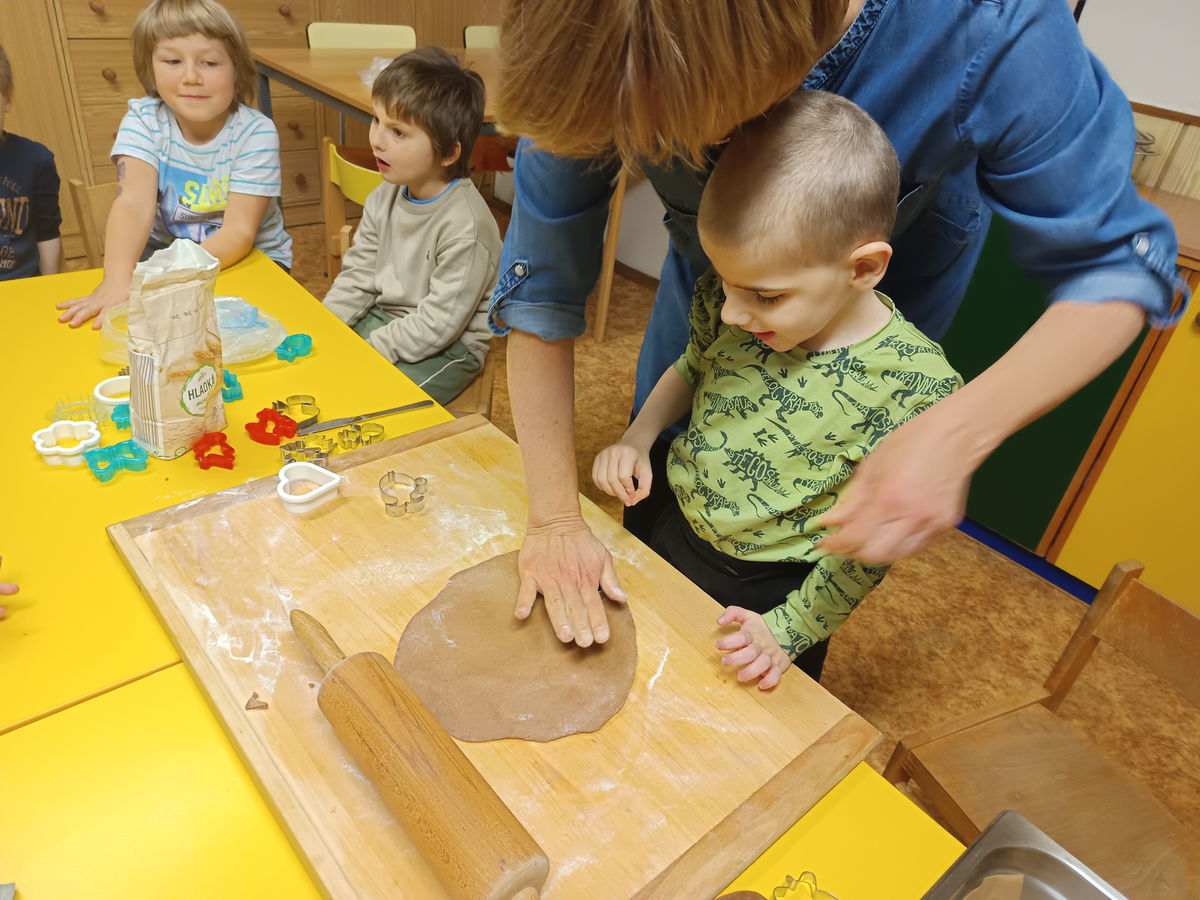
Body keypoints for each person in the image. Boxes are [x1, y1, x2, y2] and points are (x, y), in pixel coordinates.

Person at [487, 0, 1186, 648]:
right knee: (666, 509)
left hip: (875, 355)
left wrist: (952, 433)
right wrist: (556, 517)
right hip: (710, 332)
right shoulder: (719, 307)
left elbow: (1119, 263)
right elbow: (544, 292)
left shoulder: (983, 25)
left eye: (678, 132)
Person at [593, 92, 960, 686]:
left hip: (773, 595)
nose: (733, 313)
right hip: (674, 523)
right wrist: (639, 436)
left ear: (863, 268)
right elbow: (694, 365)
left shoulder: (913, 387)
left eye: (766, 296)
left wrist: (792, 628)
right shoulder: (734, 301)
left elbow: (867, 551)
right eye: (727, 284)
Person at [56, 0, 291, 328]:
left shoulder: (256, 132)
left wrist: (169, 278)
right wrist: (117, 280)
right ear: (150, 67)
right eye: (173, 61)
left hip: (249, 261)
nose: (191, 77)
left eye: (210, 62)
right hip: (162, 263)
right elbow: (132, 204)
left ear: (237, 71)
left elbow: (238, 232)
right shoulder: (143, 120)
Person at [322, 48, 501, 405]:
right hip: (386, 317)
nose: (377, 139)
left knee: (375, 401)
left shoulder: (466, 227)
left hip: (451, 346)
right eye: (376, 120)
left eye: (398, 132)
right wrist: (326, 325)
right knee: (323, 365)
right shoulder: (383, 196)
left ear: (449, 153)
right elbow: (358, 277)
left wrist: (370, 350)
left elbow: (439, 323)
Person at [0, 44, 63, 280]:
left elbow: (47, 232)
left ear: (7, 100)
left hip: (25, 284)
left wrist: (49, 287)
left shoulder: (36, 159)